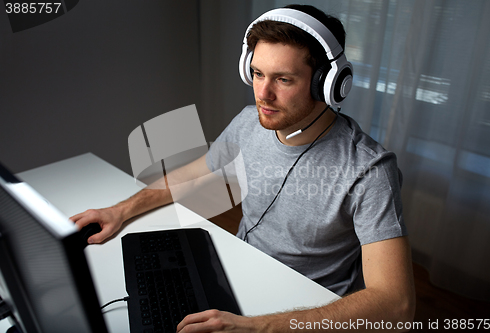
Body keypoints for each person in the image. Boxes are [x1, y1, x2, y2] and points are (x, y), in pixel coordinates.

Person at [71, 4, 415, 332]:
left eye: (283, 79)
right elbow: (194, 175)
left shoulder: (370, 170)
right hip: (235, 274)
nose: (262, 94)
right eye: (257, 73)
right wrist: (120, 210)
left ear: (327, 84)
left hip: (306, 310)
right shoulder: (250, 122)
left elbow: (396, 306)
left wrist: (257, 327)